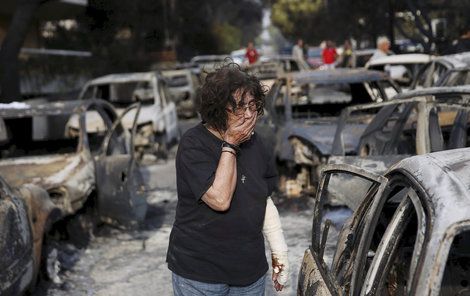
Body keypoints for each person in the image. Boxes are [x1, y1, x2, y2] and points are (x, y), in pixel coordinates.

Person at [167, 62, 289, 295]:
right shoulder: (193, 145)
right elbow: (220, 199)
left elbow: (263, 200)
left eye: (253, 105)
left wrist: (279, 252)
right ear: (217, 108)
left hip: (249, 273)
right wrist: (231, 143)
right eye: (240, 107)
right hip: (200, 273)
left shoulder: (257, 144)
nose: (249, 114)